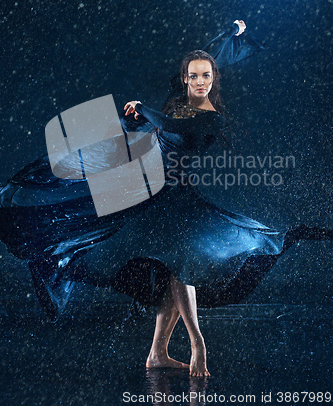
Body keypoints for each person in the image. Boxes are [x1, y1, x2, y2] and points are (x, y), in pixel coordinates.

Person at [0, 20, 331, 377]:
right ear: (186, 79)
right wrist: (228, 35)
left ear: (213, 81)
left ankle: (185, 347)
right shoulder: (180, 94)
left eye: (207, 77)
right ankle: (169, 348)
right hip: (141, 178)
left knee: (179, 266)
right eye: (194, 76)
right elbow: (203, 60)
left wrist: (145, 110)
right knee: (90, 213)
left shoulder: (211, 120)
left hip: (168, 193)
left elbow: (173, 127)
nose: (201, 82)